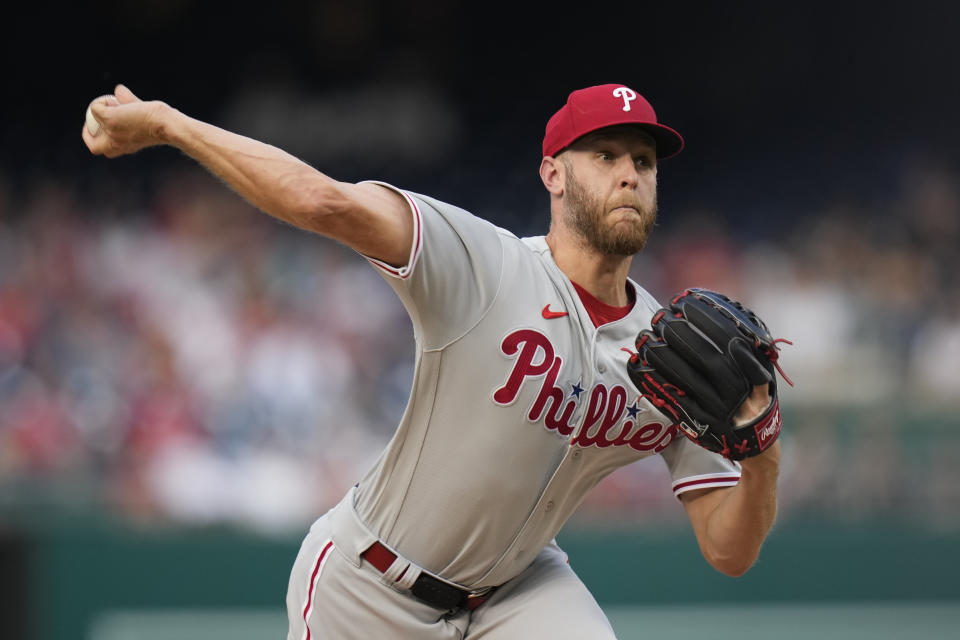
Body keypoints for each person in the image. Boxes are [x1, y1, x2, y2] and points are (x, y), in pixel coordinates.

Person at [83, 82, 780, 639]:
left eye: (644, 162)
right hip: (369, 586)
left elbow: (729, 550)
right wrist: (170, 125)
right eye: (606, 155)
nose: (629, 174)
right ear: (554, 174)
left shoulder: (670, 355)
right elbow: (322, 200)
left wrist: (762, 452)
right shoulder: (483, 264)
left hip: (518, 592)